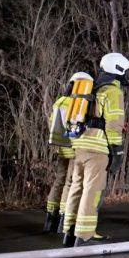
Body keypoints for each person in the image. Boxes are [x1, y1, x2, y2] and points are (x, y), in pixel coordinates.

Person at [63, 53, 129, 247]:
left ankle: (69, 233)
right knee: (92, 192)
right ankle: (84, 236)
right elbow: (114, 124)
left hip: (80, 145)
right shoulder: (113, 92)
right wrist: (117, 150)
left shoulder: (92, 88)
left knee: (76, 188)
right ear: (118, 70)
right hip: (97, 150)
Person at [44, 72, 93, 233]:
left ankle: (50, 217)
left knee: (59, 180)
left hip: (60, 146)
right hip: (73, 146)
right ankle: (64, 218)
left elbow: (53, 124)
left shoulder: (60, 102)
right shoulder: (77, 103)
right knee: (70, 183)